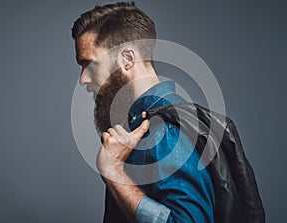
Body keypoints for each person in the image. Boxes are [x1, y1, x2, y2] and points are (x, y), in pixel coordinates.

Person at [72, 2, 215, 222]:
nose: (83, 79)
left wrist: (114, 172)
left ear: (128, 59)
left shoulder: (165, 131)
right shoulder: (139, 124)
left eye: (90, 64)